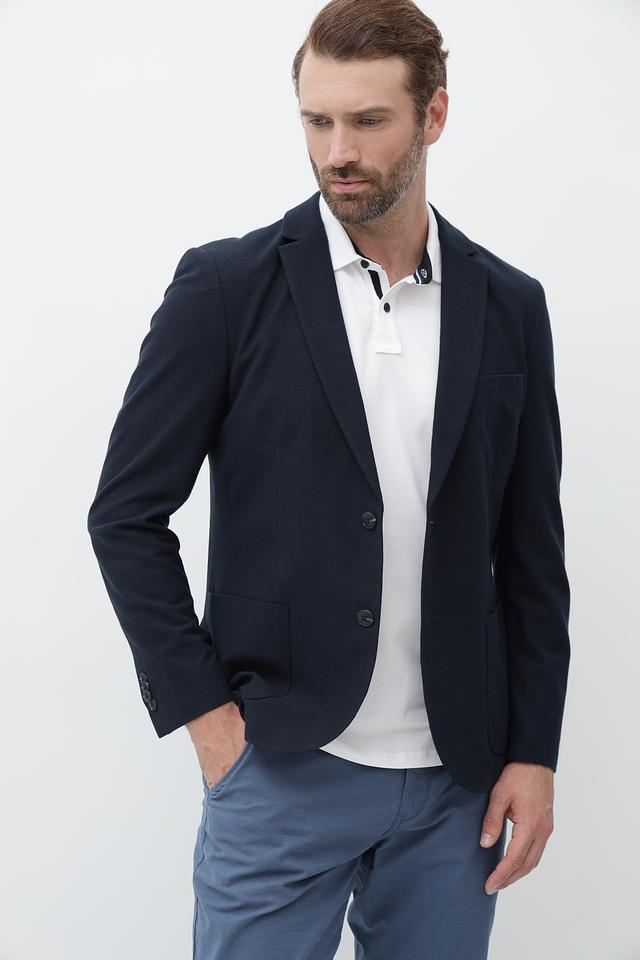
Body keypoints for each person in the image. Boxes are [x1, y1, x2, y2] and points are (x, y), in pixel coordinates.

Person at [87, 1, 571, 956]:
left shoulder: (510, 305)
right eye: (318, 121)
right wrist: (210, 722)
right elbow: (126, 516)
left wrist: (534, 752)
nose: (338, 151)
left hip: (457, 785)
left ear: (434, 115)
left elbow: (532, 557)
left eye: (369, 120)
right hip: (280, 767)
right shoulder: (226, 289)